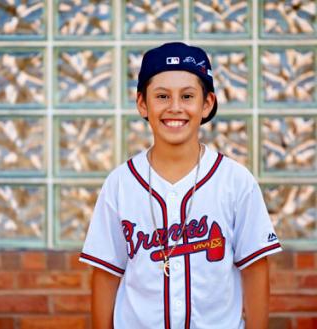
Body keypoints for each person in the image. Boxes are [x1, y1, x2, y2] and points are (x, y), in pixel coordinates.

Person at [79, 42, 282, 329]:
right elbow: (107, 274)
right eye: (162, 96)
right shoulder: (120, 183)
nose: (175, 107)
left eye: (187, 96)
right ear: (142, 104)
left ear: (207, 103)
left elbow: (254, 269)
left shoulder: (236, 181)